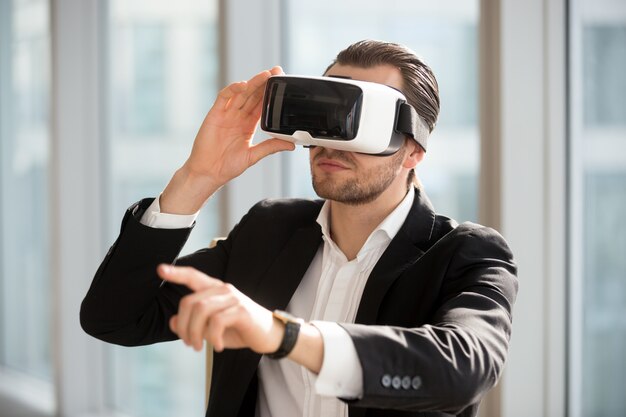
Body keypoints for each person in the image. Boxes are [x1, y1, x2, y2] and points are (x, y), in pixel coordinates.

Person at [80, 40, 518, 417]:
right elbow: (115, 319)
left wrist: (282, 334)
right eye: (328, 115)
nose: (331, 141)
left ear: (413, 151)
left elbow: (462, 370)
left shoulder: (467, 254)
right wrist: (198, 177)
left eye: (359, 123)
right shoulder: (270, 233)